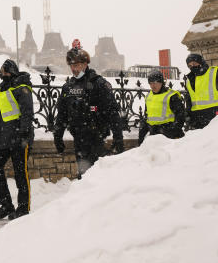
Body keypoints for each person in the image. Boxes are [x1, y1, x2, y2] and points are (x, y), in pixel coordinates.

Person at [52, 44, 124, 177]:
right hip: (79, 139)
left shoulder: (98, 83)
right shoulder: (68, 87)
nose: (74, 69)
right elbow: (62, 113)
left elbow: (112, 111)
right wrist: (58, 136)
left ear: (85, 64)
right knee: (83, 178)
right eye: (72, 66)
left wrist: (118, 137)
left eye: (77, 65)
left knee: (97, 179)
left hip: (97, 138)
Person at [0, 59, 34, 220]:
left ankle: (23, 207)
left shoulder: (22, 87)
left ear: (12, 72)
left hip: (19, 137)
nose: (3, 75)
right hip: (3, 137)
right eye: (1, 73)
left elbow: (27, 112)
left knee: (21, 172)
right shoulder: (1, 89)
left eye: (5, 72)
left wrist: (24, 134)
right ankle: (6, 204)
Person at [138, 70, 185, 144]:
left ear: (161, 83)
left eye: (155, 83)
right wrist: (142, 134)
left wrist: (173, 130)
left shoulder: (171, 96)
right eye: (150, 83)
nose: (153, 86)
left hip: (170, 135)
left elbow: (181, 115)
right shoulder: (148, 96)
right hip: (154, 134)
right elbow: (147, 116)